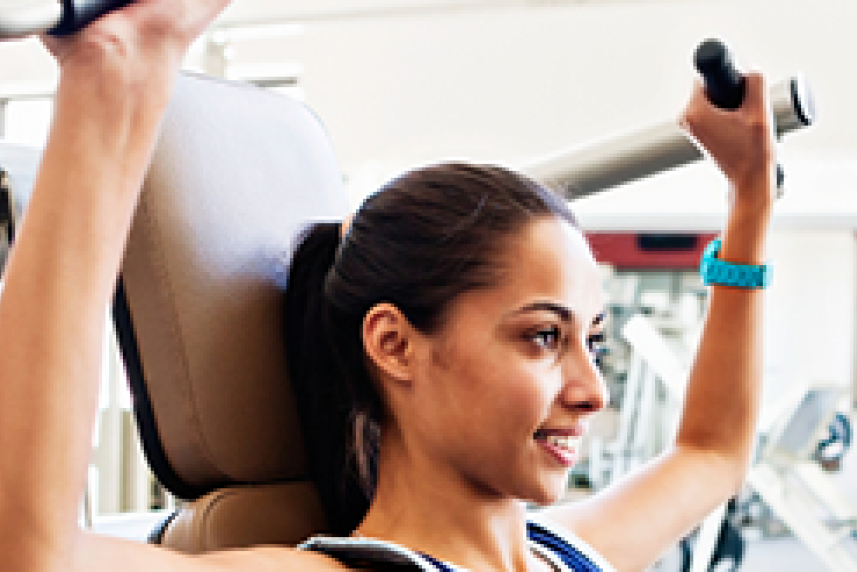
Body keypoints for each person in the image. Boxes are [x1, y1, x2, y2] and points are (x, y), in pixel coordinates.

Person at [0, 1, 776, 571]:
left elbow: (711, 452)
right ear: (394, 344)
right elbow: (35, 553)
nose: (590, 391)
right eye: (543, 337)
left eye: (590, 342)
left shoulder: (566, 553)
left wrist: (748, 199)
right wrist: (118, 73)